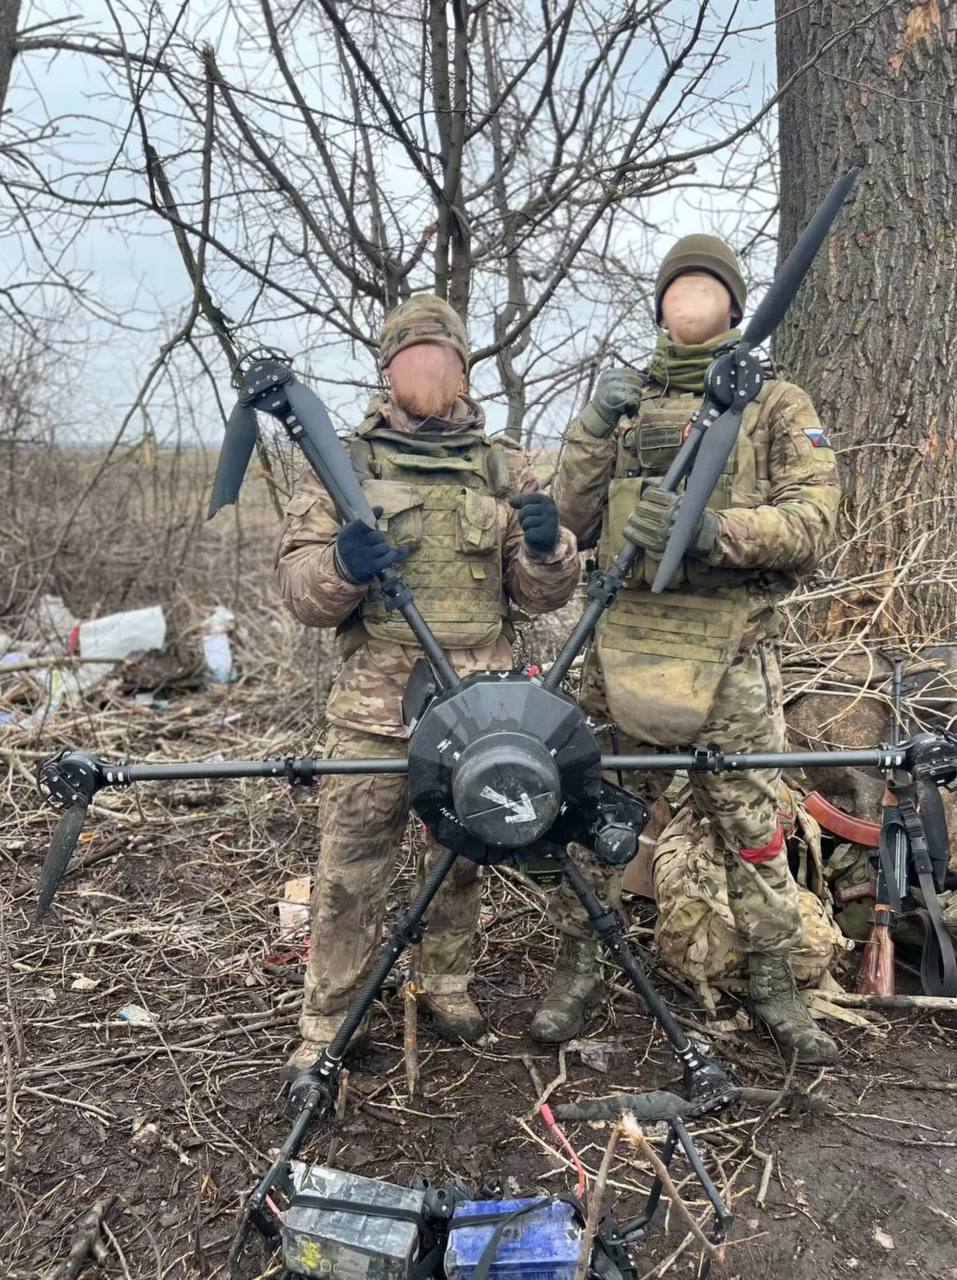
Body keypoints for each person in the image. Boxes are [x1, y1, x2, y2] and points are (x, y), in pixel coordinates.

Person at [546, 235, 842, 1064]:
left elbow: (814, 521)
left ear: (737, 305)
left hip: (728, 655)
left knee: (749, 823)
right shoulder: (629, 402)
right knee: (594, 813)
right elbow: (566, 517)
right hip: (623, 645)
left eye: (708, 282)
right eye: (678, 283)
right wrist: (593, 426)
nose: (690, 296)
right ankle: (580, 965)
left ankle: (776, 982)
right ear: (657, 304)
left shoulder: (775, 403)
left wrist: (712, 530)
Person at [277, 295, 581, 1078]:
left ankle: (445, 985)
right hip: (375, 709)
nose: (428, 373)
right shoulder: (343, 464)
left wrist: (549, 551)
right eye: (412, 360)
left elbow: (542, 596)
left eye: (441, 360)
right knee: (351, 867)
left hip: (479, 708)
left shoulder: (501, 465)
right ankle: (328, 1020)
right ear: (386, 371)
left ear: (462, 370)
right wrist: (343, 565)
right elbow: (302, 595)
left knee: (463, 854)